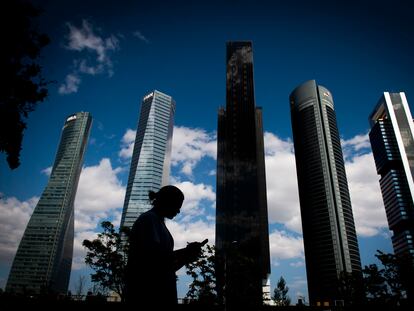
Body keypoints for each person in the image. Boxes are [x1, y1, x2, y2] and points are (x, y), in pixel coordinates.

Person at [125, 185, 207, 306]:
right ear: (167, 202)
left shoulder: (156, 221)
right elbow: (154, 261)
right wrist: (186, 251)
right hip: (149, 296)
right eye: (177, 206)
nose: (178, 211)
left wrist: (186, 255)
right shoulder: (149, 219)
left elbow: (165, 267)